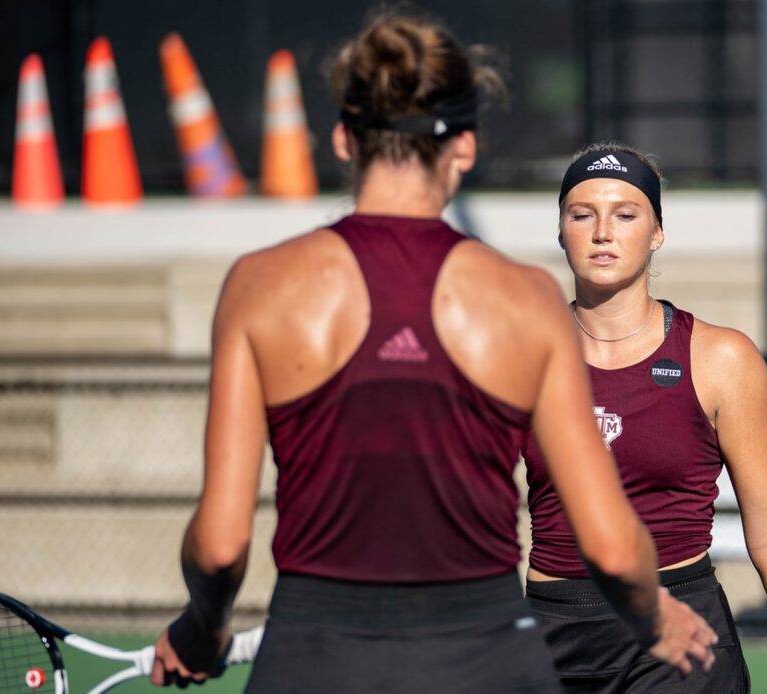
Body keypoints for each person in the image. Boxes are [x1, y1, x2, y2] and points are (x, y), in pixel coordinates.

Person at [148, 14, 717, 693]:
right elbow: (612, 544)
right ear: (466, 147)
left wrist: (202, 630)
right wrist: (656, 618)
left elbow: (218, 546)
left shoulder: (261, 287)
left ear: (341, 139)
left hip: (313, 658)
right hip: (487, 661)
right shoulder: (525, 299)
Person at [521, 143, 767, 694]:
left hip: (683, 635)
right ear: (562, 231)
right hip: (554, 634)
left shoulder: (721, 359)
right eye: (583, 215)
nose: (603, 232)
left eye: (626, 215)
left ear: (656, 232)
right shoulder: (518, 355)